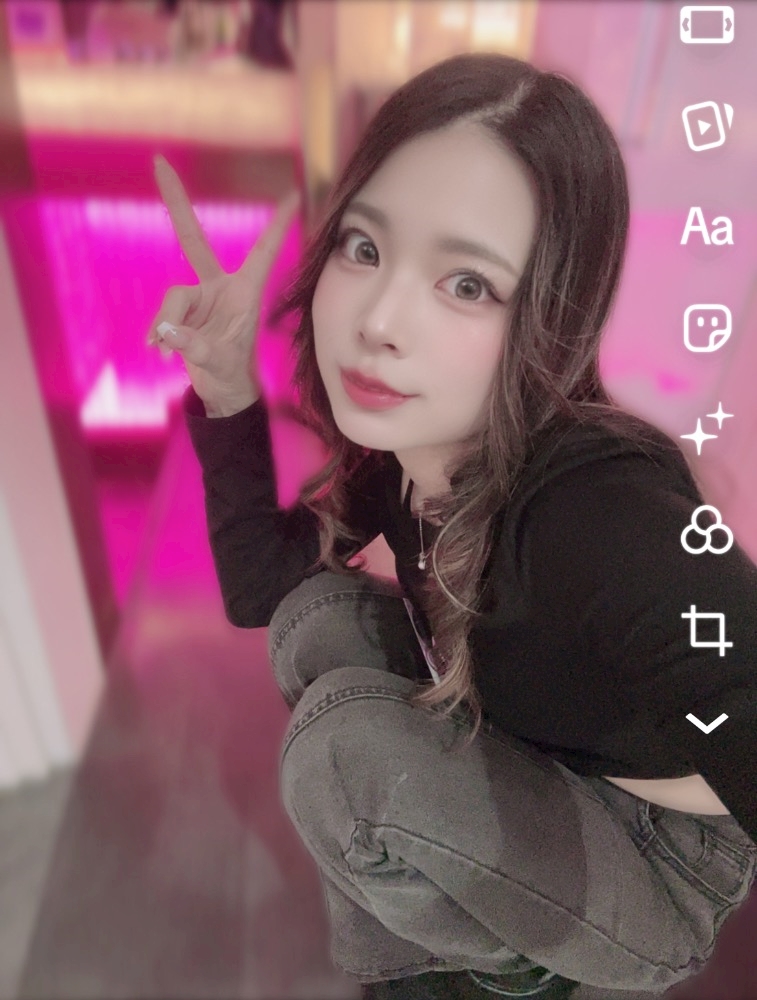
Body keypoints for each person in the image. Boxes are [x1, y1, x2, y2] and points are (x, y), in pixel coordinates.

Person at [146, 53, 757, 999]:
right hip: (535, 756)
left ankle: (507, 975)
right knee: (316, 624)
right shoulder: (405, 459)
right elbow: (261, 586)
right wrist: (226, 388)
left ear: (550, 318)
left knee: (344, 756)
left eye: (467, 284)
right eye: (364, 247)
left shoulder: (594, 510)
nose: (379, 320)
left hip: (655, 857)